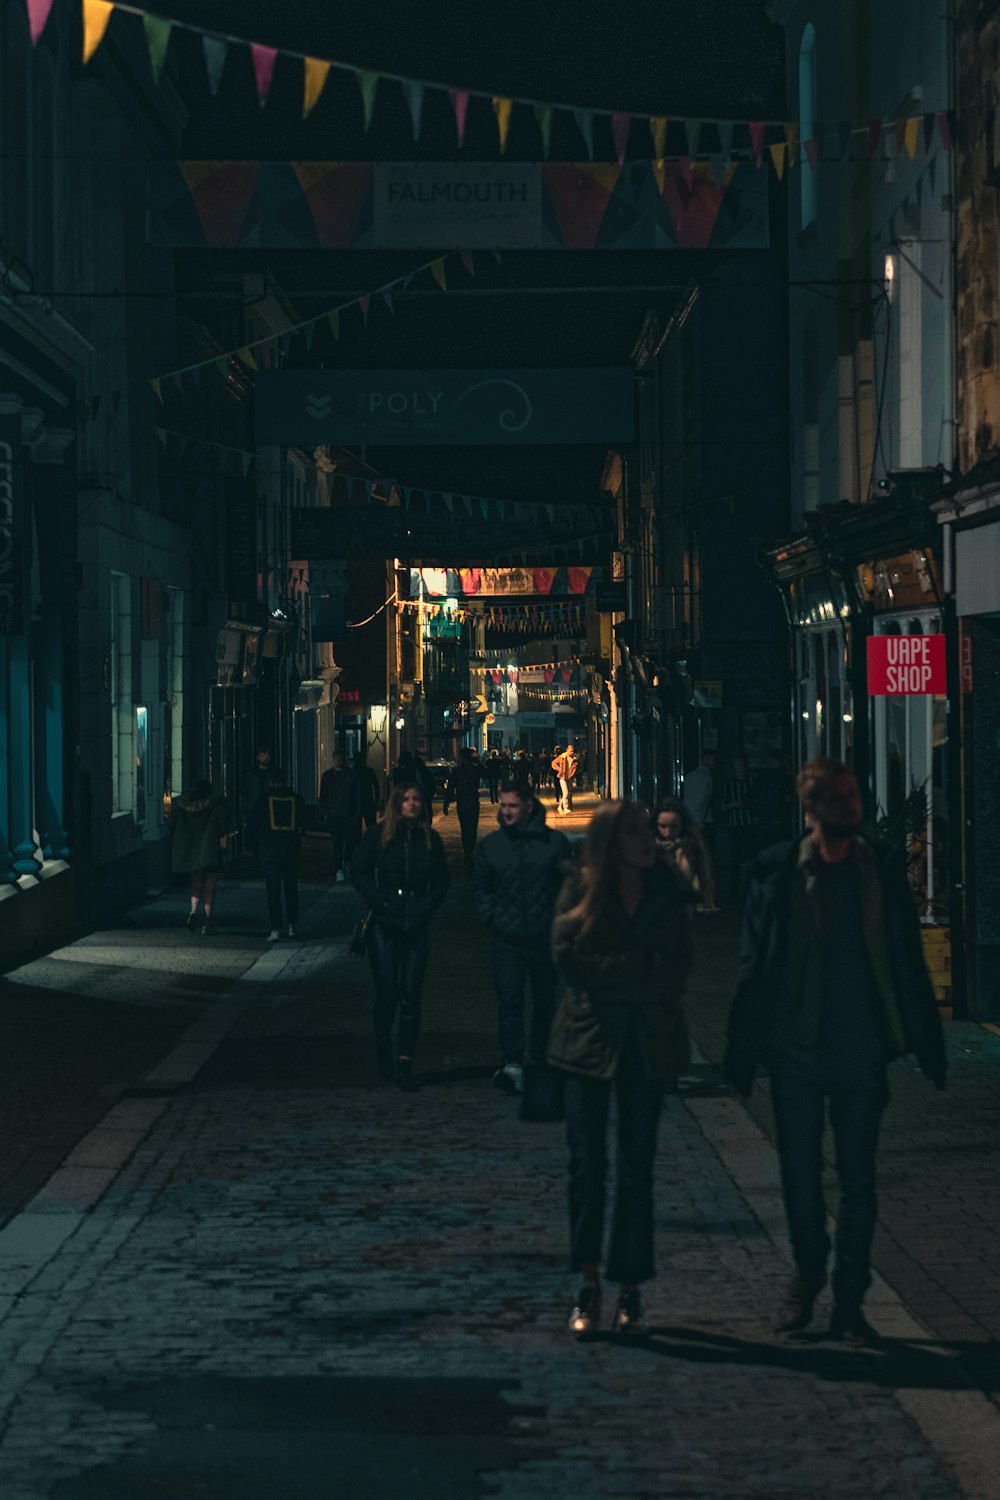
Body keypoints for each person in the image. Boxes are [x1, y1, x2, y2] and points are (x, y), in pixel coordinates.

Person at [724, 758, 946, 1348]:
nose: (850, 809)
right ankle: (807, 1273)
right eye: (837, 800)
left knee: (858, 1179)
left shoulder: (880, 870)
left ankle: (848, 1300)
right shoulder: (778, 872)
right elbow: (754, 967)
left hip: (862, 1047)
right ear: (811, 808)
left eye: (853, 798)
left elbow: (905, 961)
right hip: (795, 1046)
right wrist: (742, 1051)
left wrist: (925, 1039)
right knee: (799, 1174)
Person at [549, 801, 693, 1338]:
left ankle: (631, 1287)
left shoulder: (668, 889)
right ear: (612, 842)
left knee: (638, 1168)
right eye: (634, 833)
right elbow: (568, 959)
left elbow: (679, 966)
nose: (646, 841)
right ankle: (588, 1280)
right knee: (587, 1167)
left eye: (647, 832)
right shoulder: (581, 887)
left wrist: (617, 975)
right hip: (588, 1041)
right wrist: (635, 968)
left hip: (647, 1043)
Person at [473, 781, 572, 1096]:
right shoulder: (492, 846)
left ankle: (540, 1057)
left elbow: (569, 887)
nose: (506, 811)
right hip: (508, 940)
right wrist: (493, 917)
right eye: (503, 805)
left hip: (544, 939)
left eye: (512, 805)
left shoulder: (553, 843)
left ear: (529, 806)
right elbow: (481, 888)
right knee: (510, 1001)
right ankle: (513, 1061)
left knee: (544, 1002)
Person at [351, 783, 450, 1091]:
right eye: (406, 799)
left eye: (416, 799)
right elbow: (360, 871)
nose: (411, 804)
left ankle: (405, 1060)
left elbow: (442, 881)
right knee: (388, 993)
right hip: (384, 922)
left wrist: (426, 905)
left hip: (416, 922)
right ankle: (383, 1042)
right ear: (396, 803)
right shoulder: (379, 836)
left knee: (411, 995)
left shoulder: (429, 839)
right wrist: (379, 901)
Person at [169, 779, 233, 935]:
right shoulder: (216, 804)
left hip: (190, 852)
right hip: (210, 852)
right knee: (210, 890)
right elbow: (224, 824)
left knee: (196, 885)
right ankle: (207, 925)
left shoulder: (181, 806)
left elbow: (171, 825)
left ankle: (192, 911)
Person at [250, 767, 305, 941]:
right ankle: (292, 926)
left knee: (272, 891)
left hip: (270, 852)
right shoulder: (296, 799)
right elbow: (304, 822)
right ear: (286, 780)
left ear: (271, 781)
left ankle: (275, 928)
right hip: (290, 851)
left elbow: (253, 824)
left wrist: (253, 849)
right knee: (291, 889)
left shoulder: (263, 800)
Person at [654, 796, 716, 908]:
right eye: (663, 826)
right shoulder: (646, 845)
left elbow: (694, 886)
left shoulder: (689, 846)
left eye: (673, 827)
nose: (667, 833)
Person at [720, 753, 758, 904]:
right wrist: (734, 805)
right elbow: (722, 807)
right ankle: (734, 893)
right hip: (735, 825)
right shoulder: (729, 785)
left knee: (750, 858)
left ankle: (748, 891)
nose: (740, 769)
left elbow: (757, 802)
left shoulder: (751, 784)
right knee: (735, 859)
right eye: (737, 766)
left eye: (742, 765)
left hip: (748, 825)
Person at [443, 747, 483, 873]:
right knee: (473, 828)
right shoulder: (476, 769)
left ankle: (467, 852)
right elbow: (489, 773)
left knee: (465, 828)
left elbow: (450, 788)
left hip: (462, 802)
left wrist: (446, 803)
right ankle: (470, 851)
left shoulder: (456, 771)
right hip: (473, 802)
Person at [319, 752, 355, 881]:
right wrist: (325, 812)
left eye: (340, 758)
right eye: (336, 758)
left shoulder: (351, 774)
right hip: (334, 814)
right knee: (337, 843)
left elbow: (356, 794)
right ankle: (339, 868)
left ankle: (346, 863)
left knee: (350, 841)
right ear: (333, 760)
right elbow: (323, 795)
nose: (338, 760)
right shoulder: (328, 776)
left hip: (348, 814)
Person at [682, 749, 718, 868]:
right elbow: (704, 802)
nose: (715, 762)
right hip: (703, 822)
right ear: (705, 760)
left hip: (690, 820)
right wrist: (700, 820)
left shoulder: (689, 776)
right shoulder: (707, 778)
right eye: (712, 760)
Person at [752, 748, 795, 847]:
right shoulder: (785, 779)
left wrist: (757, 814)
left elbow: (748, 798)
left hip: (765, 822)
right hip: (782, 822)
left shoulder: (761, 778)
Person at [348, 757, 381, 861]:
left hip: (358, 803)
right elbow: (376, 787)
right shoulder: (368, 771)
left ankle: (359, 851)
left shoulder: (353, 771)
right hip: (367, 802)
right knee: (371, 827)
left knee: (357, 829)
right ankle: (372, 849)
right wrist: (376, 802)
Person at [242, 745, 272, 857]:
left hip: (267, 810)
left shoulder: (270, 774)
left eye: (267, 756)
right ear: (258, 757)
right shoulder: (250, 775)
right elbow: (244, 793)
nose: (265, 758)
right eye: (263, 756)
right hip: (255, 810)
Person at [391, 749, 435, 822]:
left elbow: (390, 783)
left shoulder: (396, 772)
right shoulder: (414, 772)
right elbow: (420, 785)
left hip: (399, 798)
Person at [552, 743, 579, 815]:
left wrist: (574, 772)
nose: (572, 752)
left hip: (570, 778)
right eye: (570, 751)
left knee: (567, 794)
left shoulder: (575, 759)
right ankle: (566, 808)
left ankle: (560, 807)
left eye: (573, 751)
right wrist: (559, 769)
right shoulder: (562, 757)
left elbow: (580, 768)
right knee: (566, 793)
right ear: (567, 750)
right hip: (562, 777)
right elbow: (553, 763)